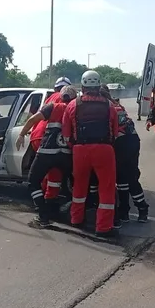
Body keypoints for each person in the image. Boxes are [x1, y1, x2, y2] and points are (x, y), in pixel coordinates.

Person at [62, 70, 119, 237]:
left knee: (79, 186)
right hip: (104, 150)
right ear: (98, 85)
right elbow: (115, 133)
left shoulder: (73, 105)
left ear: (83, 86)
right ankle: (103, 227)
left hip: (80, 151)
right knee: (106, 188)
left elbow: (66, 135)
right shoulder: (110, 106)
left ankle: (76, 219)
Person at [16, 85, 78, 226]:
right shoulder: (76, 109)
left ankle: (43, 215)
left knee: (33, 182)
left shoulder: (53, 106)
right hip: (66, 155)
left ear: (60, 95)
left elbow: (32, 120)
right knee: (64, 182)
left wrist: (21, 134)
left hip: (47, 152)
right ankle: (61, 210)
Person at [100, 85, 149, 224]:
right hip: (132, 140)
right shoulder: (117, 104)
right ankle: (130, 211)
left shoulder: (106, 107)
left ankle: (138, 209)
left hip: (122, 142)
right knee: (125, 178)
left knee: (126, 178)